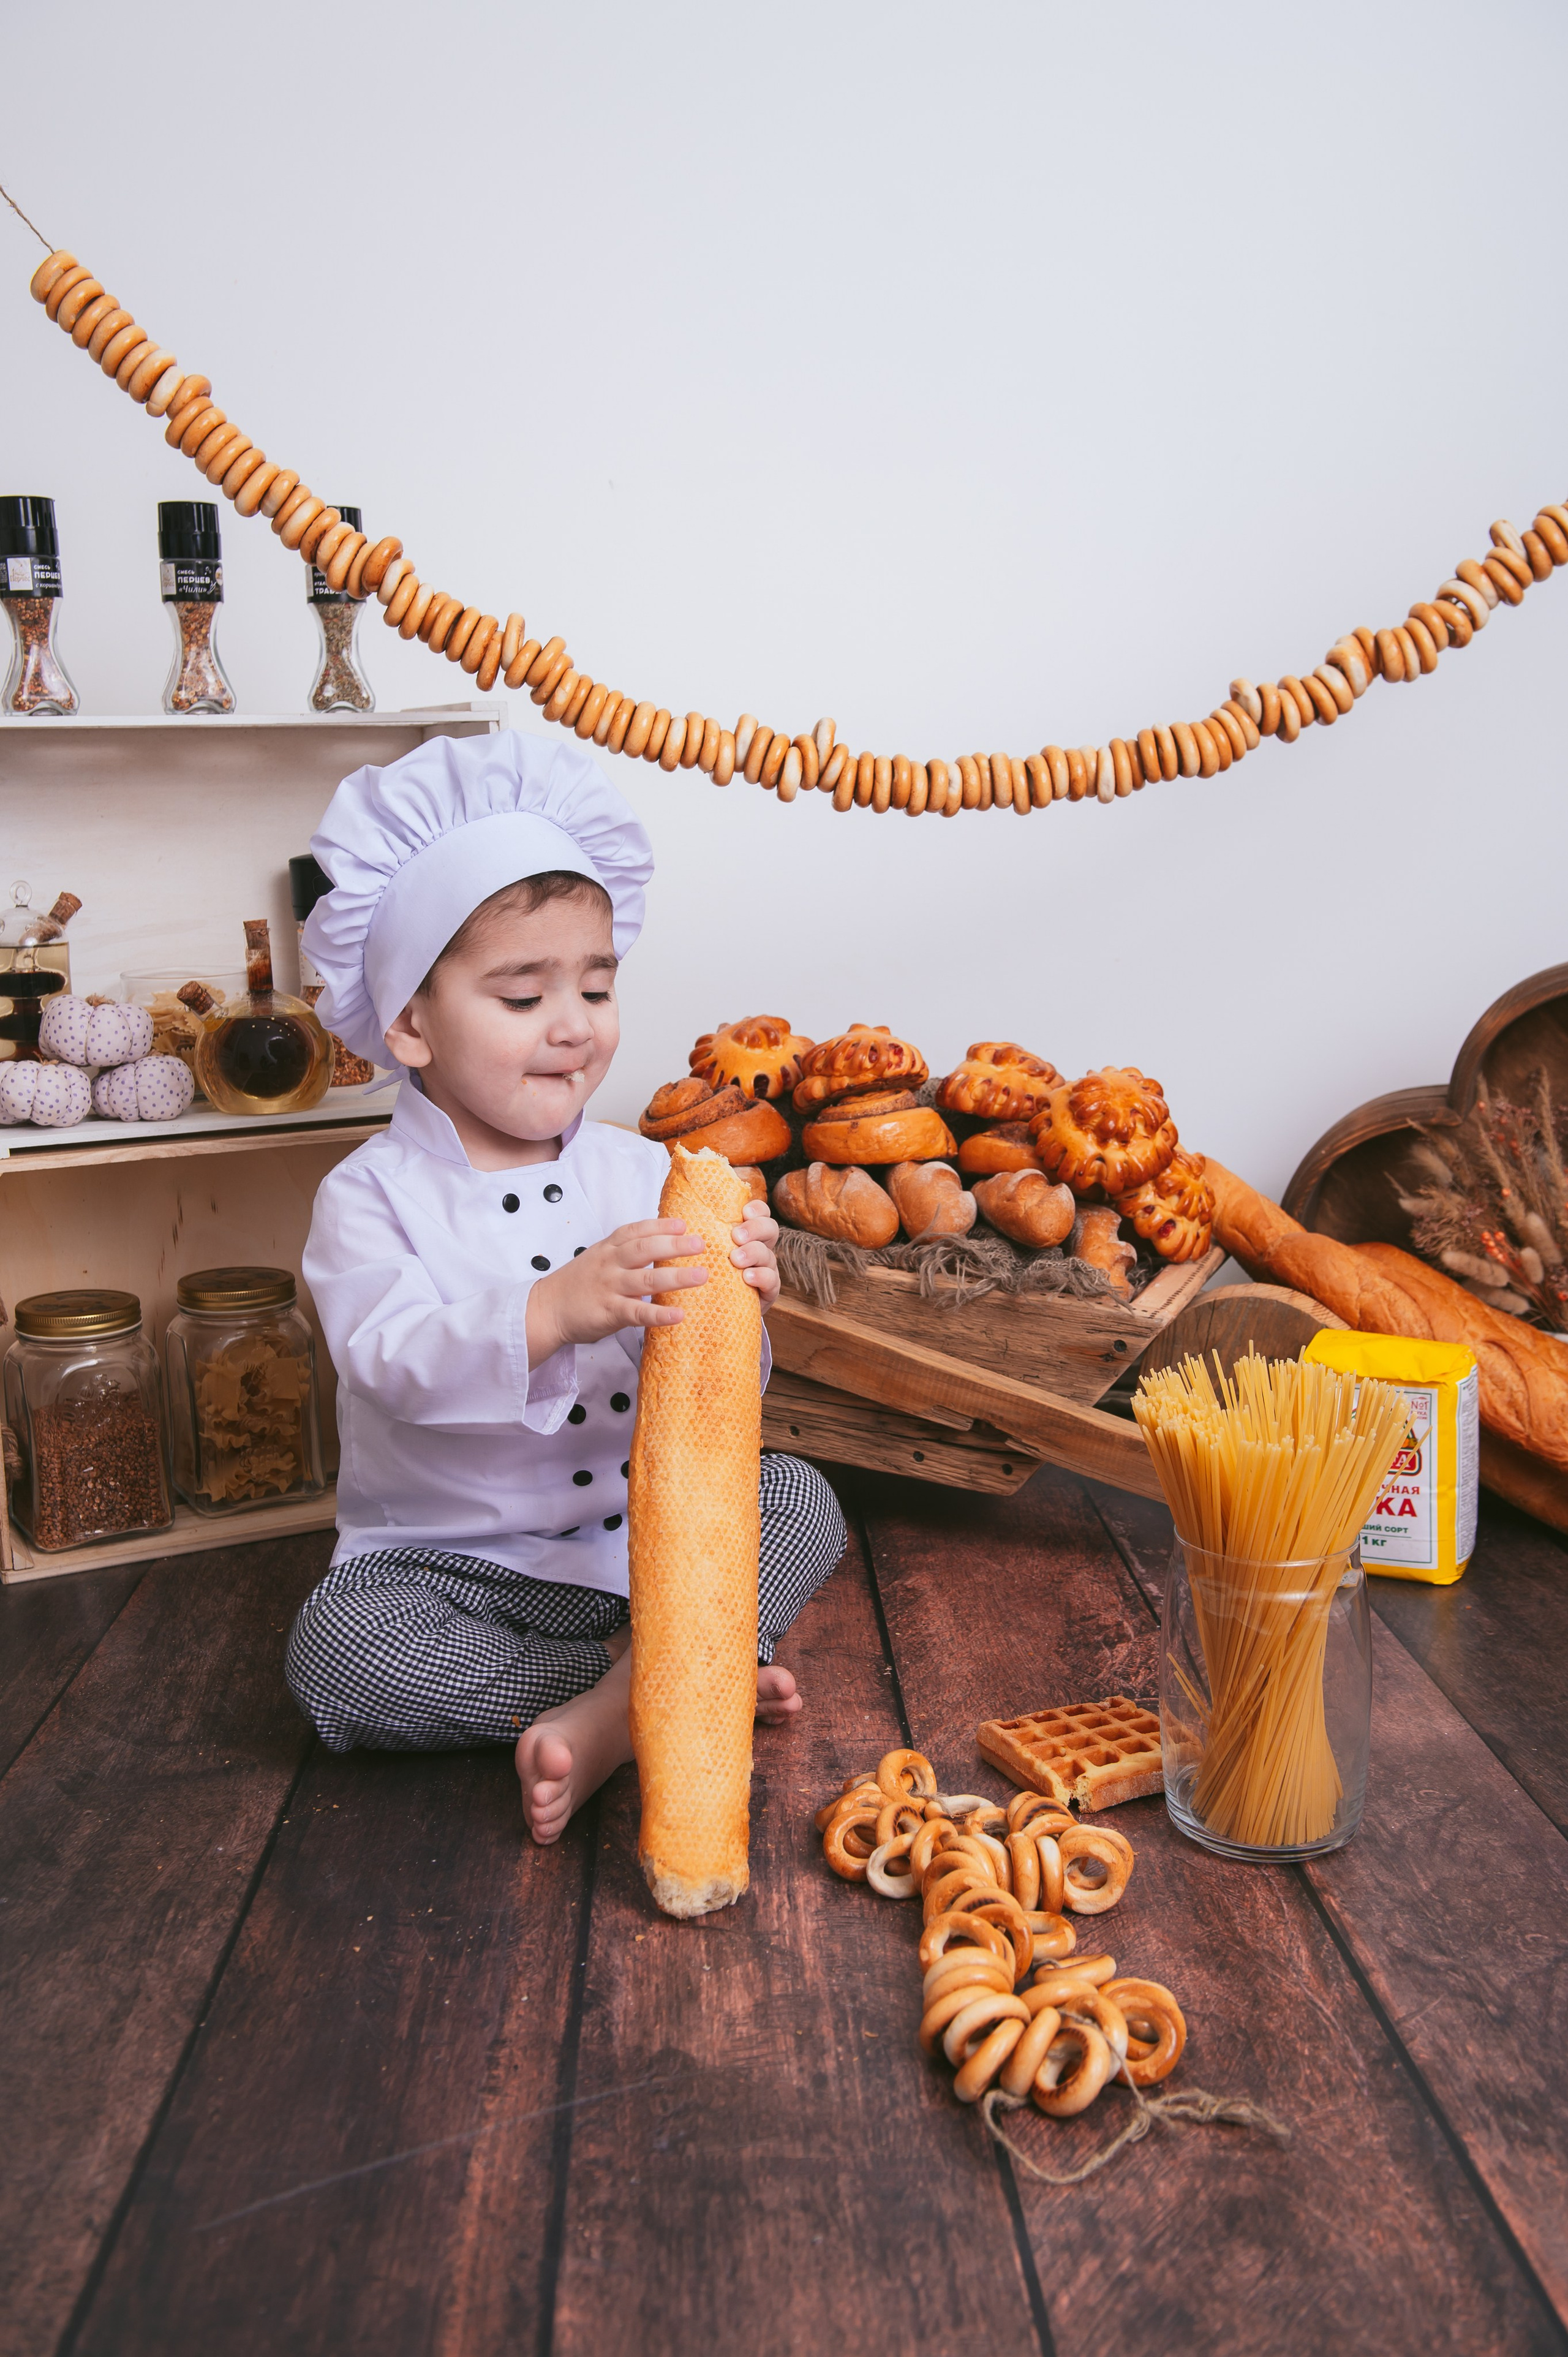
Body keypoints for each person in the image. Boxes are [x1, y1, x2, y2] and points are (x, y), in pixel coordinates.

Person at [284, 729, 846, 1842]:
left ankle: (645, 1680)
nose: (575, 1023)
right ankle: (652, 1690)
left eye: (596, 983)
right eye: (521, 995)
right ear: (409, 1025)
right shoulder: (369, 1196)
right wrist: (553, 1309)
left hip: (640, 1551)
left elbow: (707, 1404)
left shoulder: (647, 1173)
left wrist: (741, 1302)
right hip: (450, 1571)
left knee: (801, 1498)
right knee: (337, 1659)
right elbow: (386, 1362)